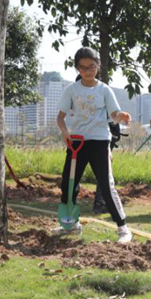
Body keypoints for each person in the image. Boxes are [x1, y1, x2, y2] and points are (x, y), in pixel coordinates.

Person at [56, 47, 133, 244]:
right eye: (83, 68)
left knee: (106, 185)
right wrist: (65, 134)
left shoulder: (104, 90)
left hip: (99, 141)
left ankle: (122, 227)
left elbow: (114, 114)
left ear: (97, 66)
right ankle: (71, 223)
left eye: (92, 67)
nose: (88, 71)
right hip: (77, 143)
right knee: (68, 183)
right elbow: (61, 117)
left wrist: (121, 116)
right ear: (77, 69)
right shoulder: (71, 90)